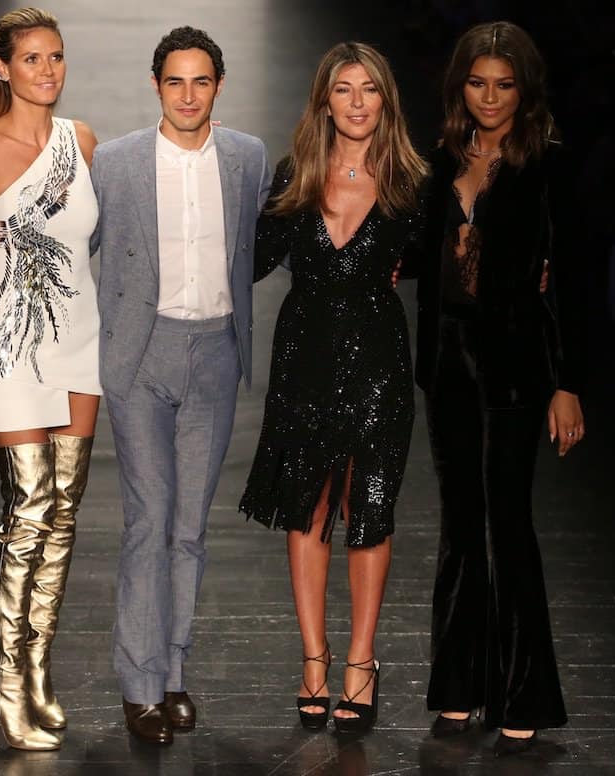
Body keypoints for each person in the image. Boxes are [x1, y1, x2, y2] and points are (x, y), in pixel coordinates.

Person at [89, 27, 270, 744]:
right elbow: (72, 243)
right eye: (175, 82)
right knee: (149, 520)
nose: (188, 95)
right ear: (157, 85)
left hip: (216, 355)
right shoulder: (117, 162)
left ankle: (172, 675)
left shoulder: (248, 159)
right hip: (143, 355)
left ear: (218, 86)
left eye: (201, 82)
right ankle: (138, 688)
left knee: (190, 530)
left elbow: (275, 238)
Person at [239, 42, 426, 734]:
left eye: (368, 90)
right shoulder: (298, 177)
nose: (355, 103)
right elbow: (247, 262)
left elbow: (450, 265)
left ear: (385, 101)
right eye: (342, 90)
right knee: (307, 506)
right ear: (324, 100)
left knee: (368, 505)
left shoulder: (412, 184)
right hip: (304, 363)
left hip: (377, 366)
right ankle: (313, 660)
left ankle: (360, 663)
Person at [415, 21, 585, 755]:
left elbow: (565, 279)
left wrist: (566, 382)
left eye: (504, 84)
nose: (490, 96)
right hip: (447, 363)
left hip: (516, 367)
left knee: (506, 526)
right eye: (478, 82)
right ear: (461, 86)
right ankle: (458, 687)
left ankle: (523, 694)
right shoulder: (442, 156)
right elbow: (424, 255)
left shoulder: (547, 165)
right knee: (459, 523)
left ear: (525, 88)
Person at [0, 8, 101, 751]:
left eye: (57, 57)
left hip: (79, 340)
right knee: (29, 511)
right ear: (3, 67)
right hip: (8, 343)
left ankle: (37, 672)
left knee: (65, 512)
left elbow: (92, 241)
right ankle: (4, 681)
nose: (47, 70)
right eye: (32, 58)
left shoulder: (84, 143)